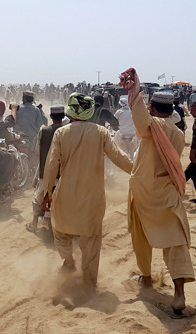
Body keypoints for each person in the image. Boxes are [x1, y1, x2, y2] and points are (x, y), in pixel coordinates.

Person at [121, 69, 195, 315]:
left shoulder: (153, 127)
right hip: (167, 195)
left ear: (153, 109)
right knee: (175, 243)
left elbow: (142, 120)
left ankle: (146, 277)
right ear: (173, 110)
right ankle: (179, 294)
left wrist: (135, 92)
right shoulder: (179, 133)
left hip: (144, 194)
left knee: (141, 237)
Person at [43, 93, 132, 287]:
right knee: (91, 240)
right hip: (93, 197)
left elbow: (51, 166)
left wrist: (47, 193)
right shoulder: (101, 132)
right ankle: (90, 282)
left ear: (71, 110)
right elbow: (119, 157)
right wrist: (138, 172)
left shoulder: (61, 133)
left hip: (65, 194)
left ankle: (68, 262)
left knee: (61, 231)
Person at [27, 105, 64, 233]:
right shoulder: (67, 131)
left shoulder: (44, 131)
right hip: (63, 174)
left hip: (46, 172)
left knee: (38, 197)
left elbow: (38, 151)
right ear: (63, 116)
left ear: (51, 117)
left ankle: (34, 223)